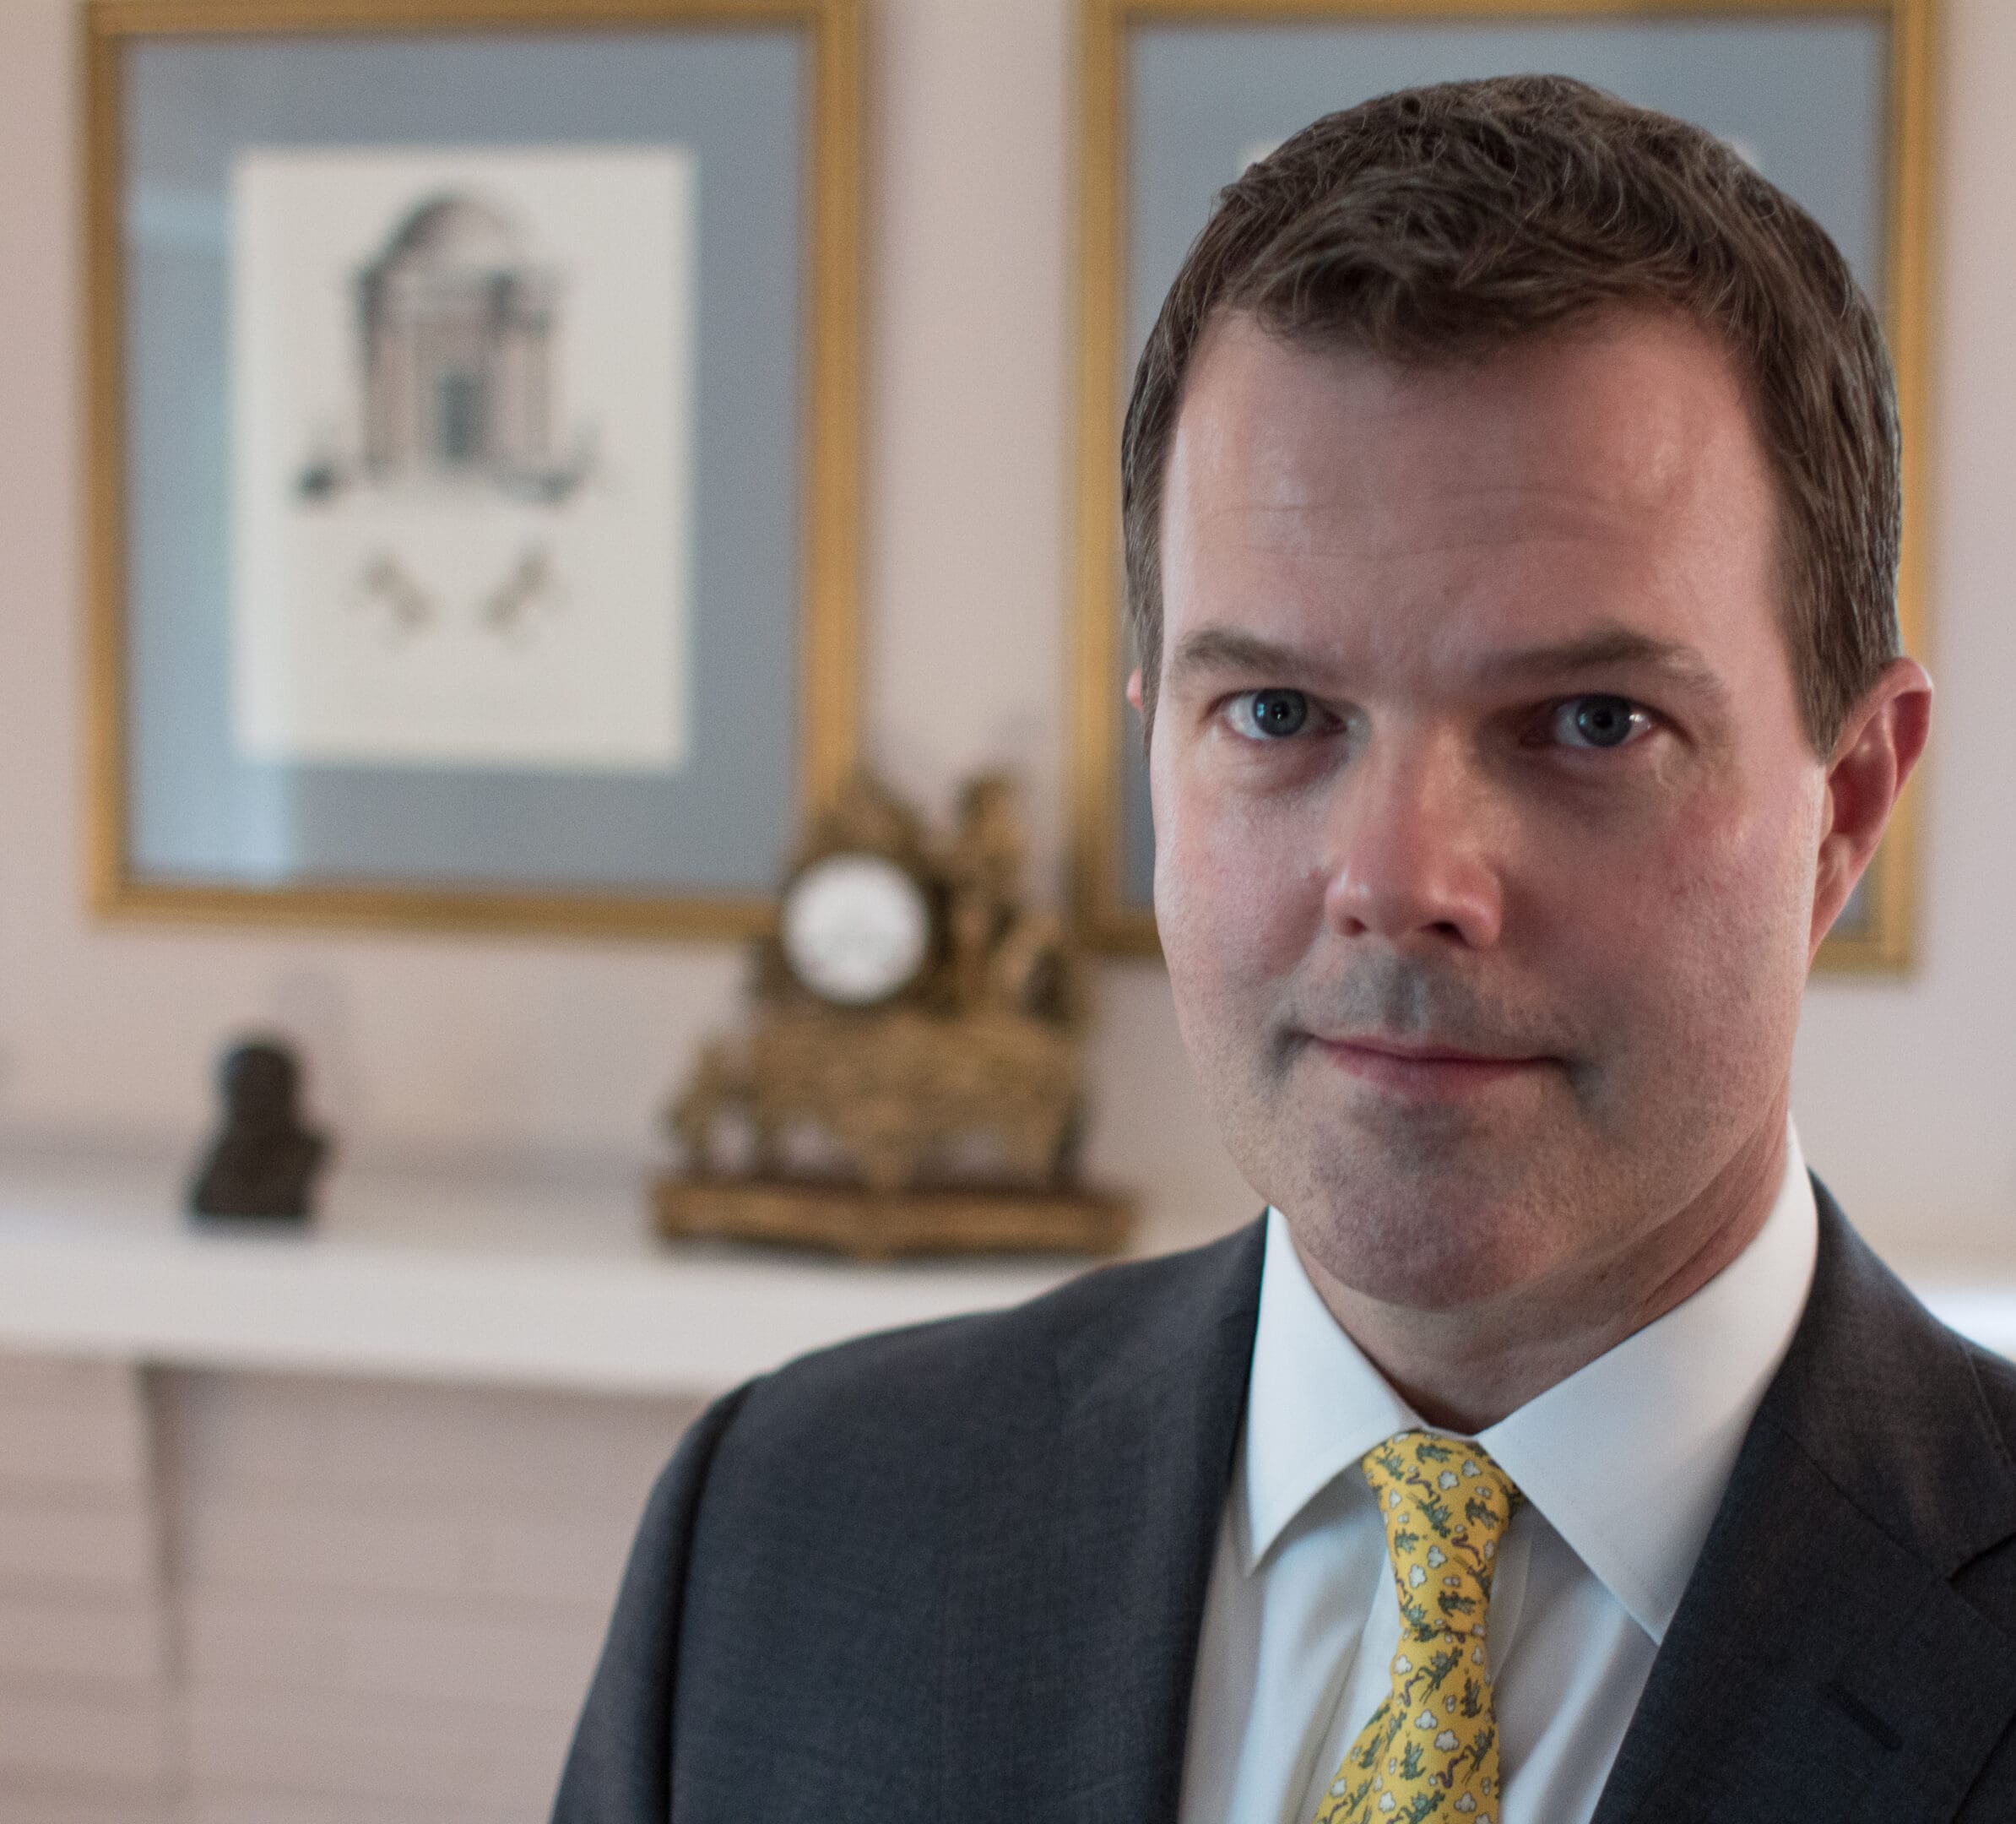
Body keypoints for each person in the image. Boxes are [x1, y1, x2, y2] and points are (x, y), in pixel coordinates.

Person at [554, 75, 2016, 1824]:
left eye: (1590, 723)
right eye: (1275, 710)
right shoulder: (786, 1526)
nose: (1400, 880)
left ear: (1847, 802)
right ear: (1159, 753)